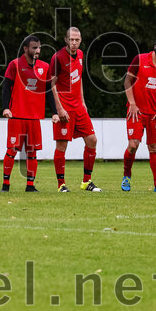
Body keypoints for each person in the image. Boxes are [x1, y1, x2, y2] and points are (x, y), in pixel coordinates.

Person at [48, 27, 101, 193]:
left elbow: (79, 80)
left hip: (79, 107)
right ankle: (61, 184)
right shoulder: (57, 58)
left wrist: (83, 101)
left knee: (92, 140)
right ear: (66, 39)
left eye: (77, 40)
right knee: (62, 145)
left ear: (80, 40)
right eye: (71, 39)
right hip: (64, 107)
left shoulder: (80, 55)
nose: (74, 42)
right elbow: (52, 84)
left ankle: (87, 181)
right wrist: (59, 109)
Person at [121, 36, 156, 192]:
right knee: (133, 145)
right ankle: (126, 176)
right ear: (155, 46)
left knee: (154, 148)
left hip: (155, 113)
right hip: (136, 111)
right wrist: (132, 104)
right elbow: (127, 81)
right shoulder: (140, 59)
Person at [1, 35, 49, 192]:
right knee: (12, 150)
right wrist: (5, 107)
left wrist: (54, 112)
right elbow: (6, 87)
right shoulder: (15, 64)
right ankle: (5, 184)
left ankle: (30, 185)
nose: (37, 50)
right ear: (25, 49)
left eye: (39, 47)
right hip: (17, 116)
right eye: (34, 47)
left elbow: (49, 92)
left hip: (34, 117)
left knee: (32, 152)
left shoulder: (45, 67)